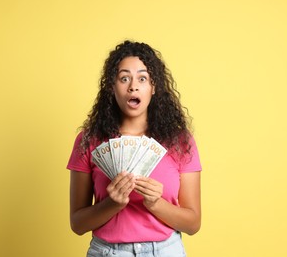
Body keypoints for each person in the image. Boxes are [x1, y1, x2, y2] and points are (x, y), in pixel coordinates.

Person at [67, 40, 202, 256]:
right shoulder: (89, 140)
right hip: (108, 252)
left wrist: (155, 203)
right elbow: (78, 224)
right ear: (112, 86)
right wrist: (113, 204)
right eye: (124, 78)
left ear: (154, 87)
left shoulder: (180, 141)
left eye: (142, 78)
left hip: (166, 251)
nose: (133, 86)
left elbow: (193, 224)